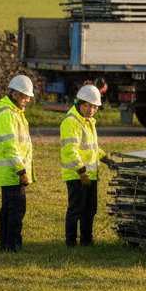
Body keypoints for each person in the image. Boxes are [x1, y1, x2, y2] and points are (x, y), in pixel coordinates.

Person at [0, 75, 36, 252]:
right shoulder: (7, 114)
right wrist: (21, 170)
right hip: (12, 172)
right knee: (15, 211)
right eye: (25, 96)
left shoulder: (14, 112)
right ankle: (12, 246)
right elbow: (9, 146)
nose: (27, 100)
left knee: (9, 210)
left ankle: (7, 245)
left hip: (11, 171)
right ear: (15, 94)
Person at [60, 84, 107, 248]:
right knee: (76, 210)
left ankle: (87, 240)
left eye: (94, 106)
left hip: (90, 175)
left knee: (90, 210)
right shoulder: (70, 122)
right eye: (87, 105)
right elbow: (71, 151)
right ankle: (71, 242)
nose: (91, 109)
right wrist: (81, 172)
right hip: (77, 175)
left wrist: (106, 158)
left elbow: (91, 147)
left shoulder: (89, 122)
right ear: (79, 103)